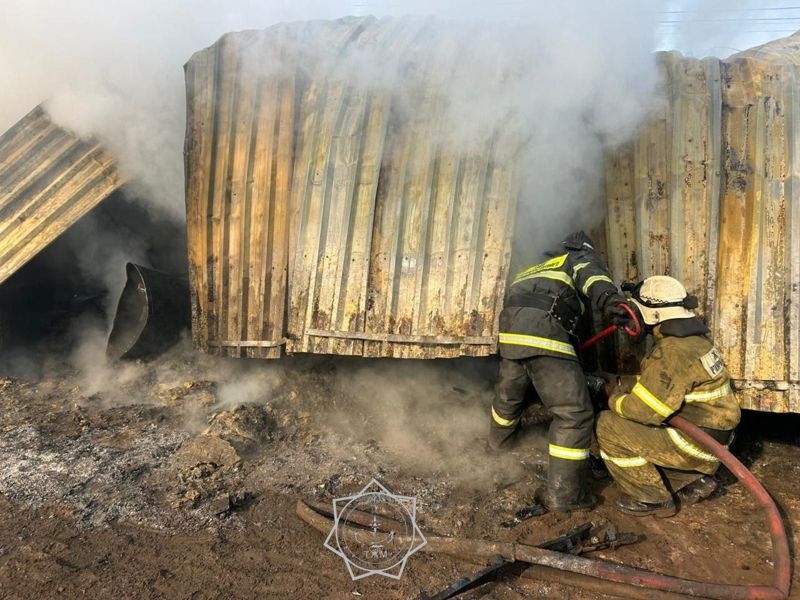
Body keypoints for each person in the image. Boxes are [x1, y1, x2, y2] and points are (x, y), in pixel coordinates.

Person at [489, 231, 633, 513]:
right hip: (544, 333)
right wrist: (614, 304)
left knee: (508, 399)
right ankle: (563, 496)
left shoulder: (534, 267)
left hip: (511, 335)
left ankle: (497, 447)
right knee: (574, 414)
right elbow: (595, 280)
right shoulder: (577, 257)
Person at [596, 275, 741, 517]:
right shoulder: (695, 342)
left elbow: (644, 412)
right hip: (715, 441)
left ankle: (651, 497)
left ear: (653, 315)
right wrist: (624, 382)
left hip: (693, 444)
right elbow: (663, 385)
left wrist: (612, 397)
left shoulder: (672, 352)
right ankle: (692, 479)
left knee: (608, 425)